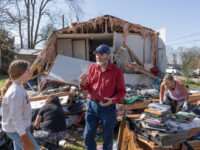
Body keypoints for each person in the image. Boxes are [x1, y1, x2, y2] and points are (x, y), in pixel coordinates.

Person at [79, 44, 126, 150]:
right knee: (88, 134)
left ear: (108, 56)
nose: (98, 56)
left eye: (101, 54)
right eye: (96, 54)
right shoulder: (92, 68)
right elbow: (87, 87)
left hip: (107, 108)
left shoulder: (116, 71)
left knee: (108, 137)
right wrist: (82, 83)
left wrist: (112, 100)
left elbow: (122, 91)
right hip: (91, 106)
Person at [1, 59, 39, 150]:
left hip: (17, 129)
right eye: (28, 70)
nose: (30, 72)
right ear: (20, 72)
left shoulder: (19, 87)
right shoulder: (16, 92)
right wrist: (23, 135)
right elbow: (15, 115)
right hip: (16, 130)